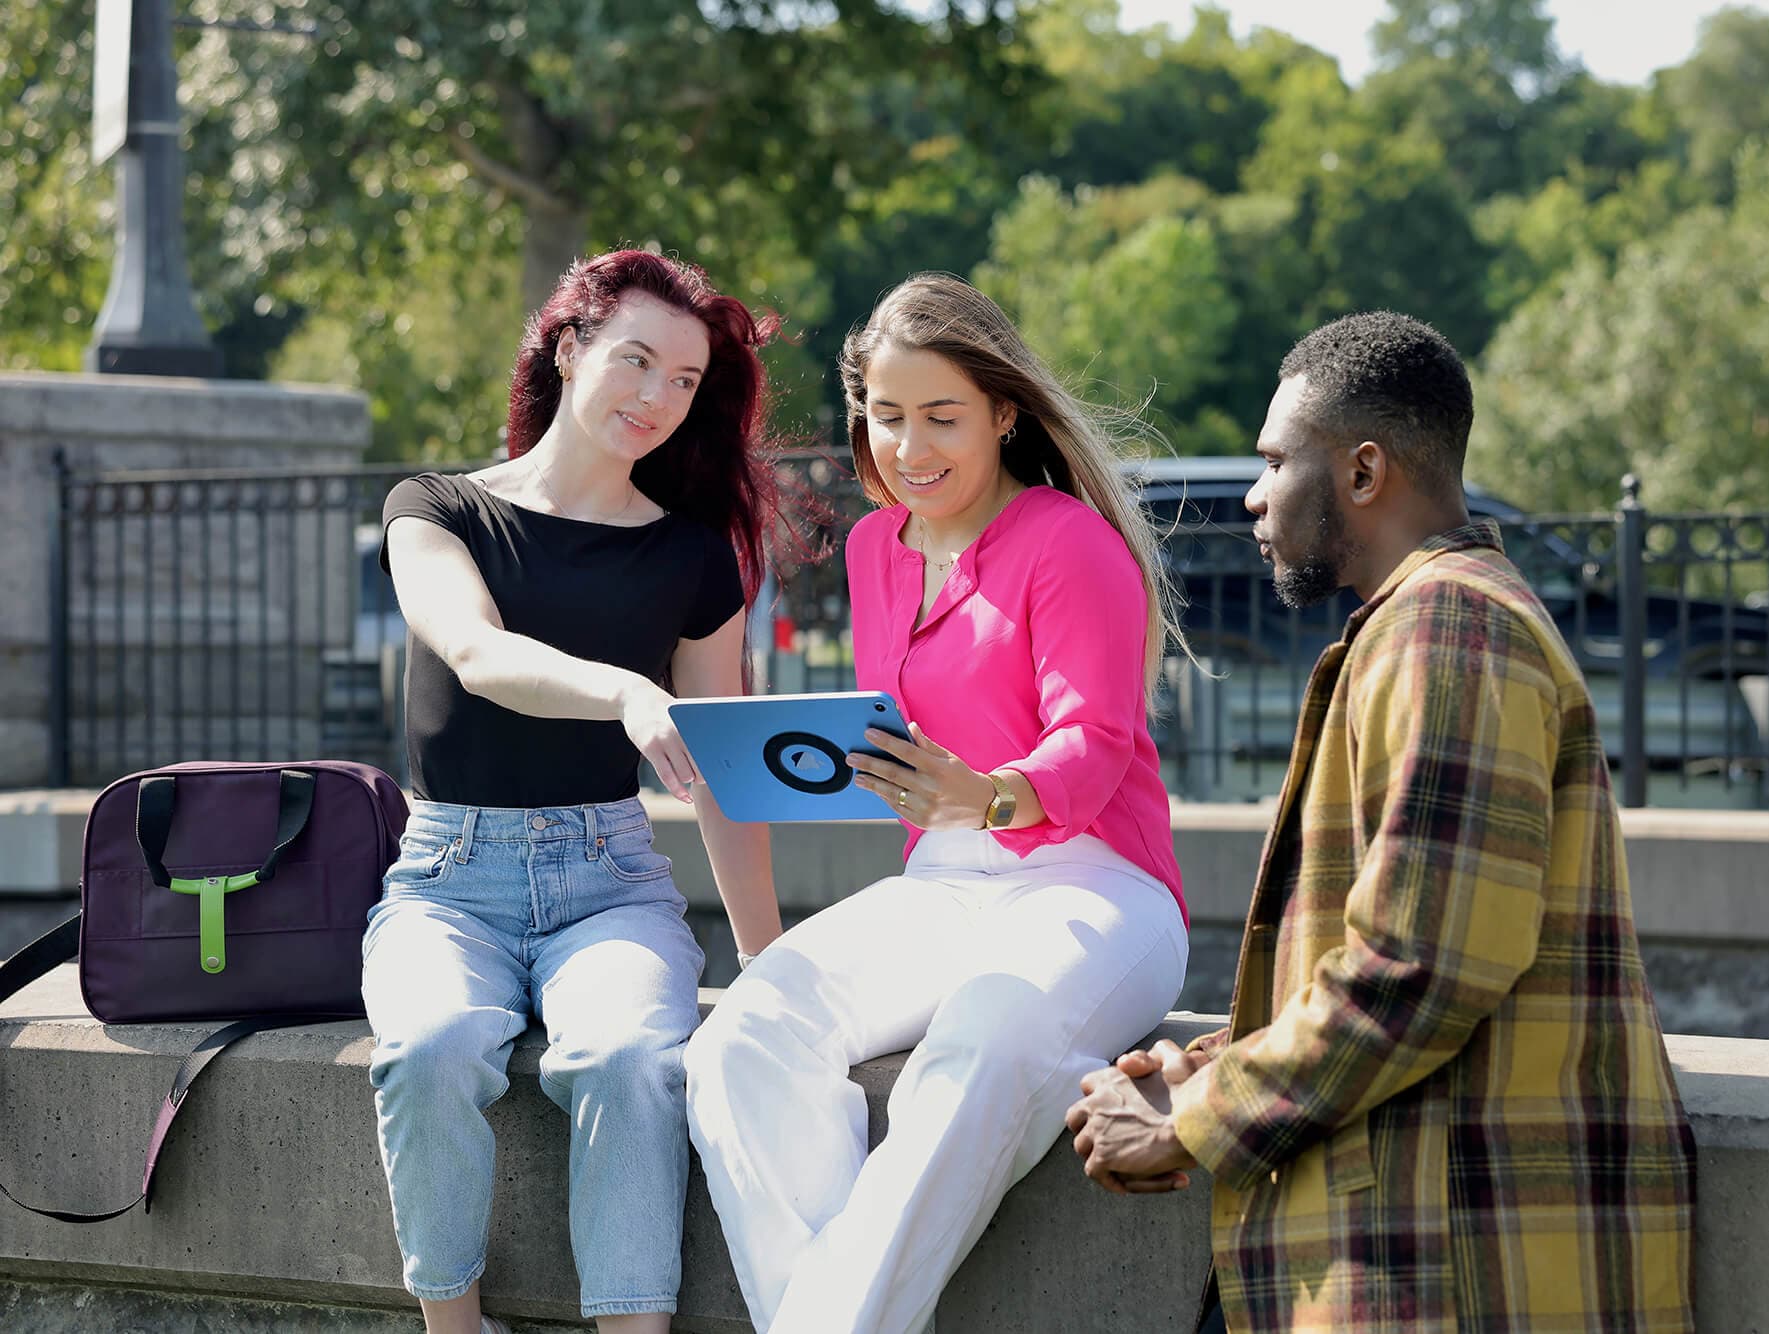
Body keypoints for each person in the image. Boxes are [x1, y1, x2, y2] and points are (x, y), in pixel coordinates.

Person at [1064, 311, 1697, 1333]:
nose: (1251, 494)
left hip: (1450, 1269)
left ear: (1362, 472)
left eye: (1274, 460)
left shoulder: (1451, 627)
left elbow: (1422, 963)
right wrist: (1219, 1059)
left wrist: (1192, 1117)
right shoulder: (1427, 623)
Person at [683, 273, 1192, 1334]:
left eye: (941, 416)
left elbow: (1093, 744)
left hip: (1097, 884)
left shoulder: (1069, 541)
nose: (910, 446)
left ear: (1004, 412)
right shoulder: (877, 546)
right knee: (744, 1035)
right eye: (887, 414)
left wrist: (991, 792)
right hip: (939, 884)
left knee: (985, 1039)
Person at [367, 249, 787, 1334]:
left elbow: (725, 772)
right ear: (568, 348)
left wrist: (767, 959)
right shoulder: (436, 506)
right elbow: (473, 651)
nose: (657, 397)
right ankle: (452, 1327)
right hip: (447, 881)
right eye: (636, 361)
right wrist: (626, 693)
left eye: (685, 381)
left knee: (628, 1057)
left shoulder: (695, 558)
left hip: (610, 885)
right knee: (428, 1048)